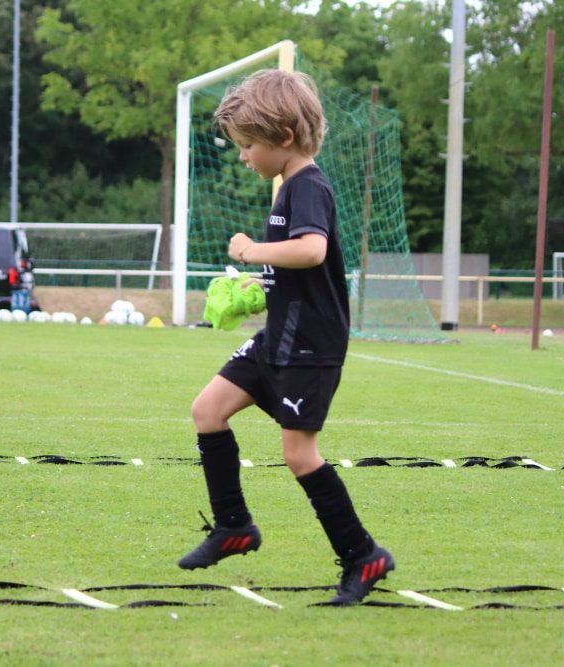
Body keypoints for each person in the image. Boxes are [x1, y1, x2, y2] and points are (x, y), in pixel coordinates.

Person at [177, 69, 394, 605]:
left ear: (285, 137)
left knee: (299, 455)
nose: (243, 156)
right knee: (208, 410)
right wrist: (261, 283)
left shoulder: (308, 186)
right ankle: (233, 526)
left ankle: (363, 556)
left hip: (310, 345)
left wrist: (251, 251)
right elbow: (297, 263)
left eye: (248, 145)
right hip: (279, 335)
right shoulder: (288, 187)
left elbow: (312, 250)